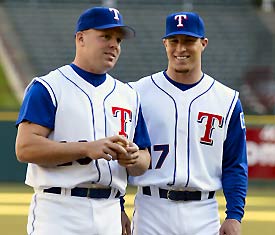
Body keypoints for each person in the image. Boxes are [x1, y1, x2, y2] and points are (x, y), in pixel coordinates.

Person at [15, 6, 151, 235]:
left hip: (109, 211)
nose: (114, 45)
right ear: (81, 38)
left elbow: (144, 161)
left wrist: (134, 157)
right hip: (59, 209)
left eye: (118, 39)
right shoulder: (49, 87)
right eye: (105, 36)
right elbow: (25, 148)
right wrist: (87, 148)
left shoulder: (128, 95)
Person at [128, 11, 248, 235]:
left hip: (203, 210)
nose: (180, 48)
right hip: (151, 207)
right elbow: (119, 158)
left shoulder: (227, 99)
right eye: (174, 41)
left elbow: (235, 164)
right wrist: (118, 205)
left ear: (203, 43)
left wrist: (234, 215)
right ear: (165, 43)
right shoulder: (136, 93)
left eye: (189, 41)